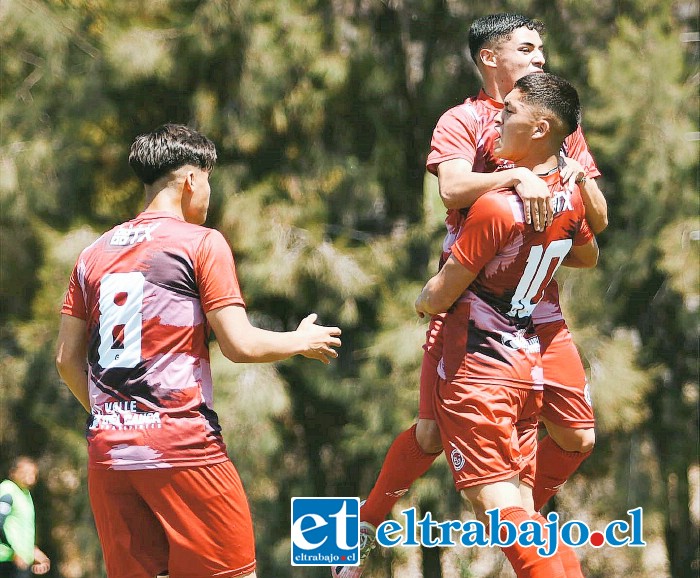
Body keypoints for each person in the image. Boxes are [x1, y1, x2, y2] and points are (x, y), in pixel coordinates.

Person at [332, 12, 606, 578]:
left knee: (577, 435)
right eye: (526, 48)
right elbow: (453, 188)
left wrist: (578, 185)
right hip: (470, 301)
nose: (539, 58)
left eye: (542, 50)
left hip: (538, 306)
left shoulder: (554, 119)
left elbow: (592, 229)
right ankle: (361, 526)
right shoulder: (461, 119)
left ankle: (525, 525)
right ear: (490, 57)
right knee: (431, 436)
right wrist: (512, 179)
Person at [55, 124, 342, 578]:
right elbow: (239, 344)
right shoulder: (201, 242)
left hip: (109, 450)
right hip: (182, 445)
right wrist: (299, 341)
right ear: (192, 180)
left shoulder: (92, 254)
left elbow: (66, 360)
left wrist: (117, 416)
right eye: (209, 181)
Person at [414, 72, 598, 577]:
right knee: (523, 509)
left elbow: (441, 294)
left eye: (510, 112)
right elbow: (588, 254)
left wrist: (422, 301)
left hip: (478, 369)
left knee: (499, 510)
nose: (498, 117)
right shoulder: (571, 197)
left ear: (541, 127)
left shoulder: (497, 206)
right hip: (526, 365)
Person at [0, 457, 50, 578]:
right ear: (13, 472)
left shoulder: (25, 494)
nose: (30, 476)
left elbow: (19, 529)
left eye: (33, 472)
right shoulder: (8, 489)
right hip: (7, 561)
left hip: (20, 561)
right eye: (25, 471)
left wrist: (32, 551)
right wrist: (13, 552)